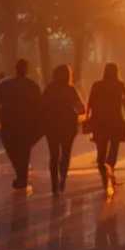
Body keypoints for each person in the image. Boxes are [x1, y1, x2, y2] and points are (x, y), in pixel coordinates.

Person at [0, 59, 42, 191]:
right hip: (26, 125)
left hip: (9, 124)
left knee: (13, 150)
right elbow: (39, 105)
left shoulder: (6, 84)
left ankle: (21, 174)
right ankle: (22, 174)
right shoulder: (32, 85)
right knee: (24, 150)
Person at [39, 64, 85, 196]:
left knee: (54, 156)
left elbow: (41, 107)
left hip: (52, 126)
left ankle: (54, 185)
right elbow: (82, 108)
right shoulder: (70, 90)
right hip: (68, 126)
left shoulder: (49, 89)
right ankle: (62, 179)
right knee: (65, 154)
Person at [86, 63, 125, 192]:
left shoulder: (96, 86)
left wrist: (88, 120)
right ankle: (110, 167)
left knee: (101, 152)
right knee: (113, 149)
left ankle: (104, 178)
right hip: (115, 122)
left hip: (99, 123)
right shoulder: (120, 86)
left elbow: (90, 104)